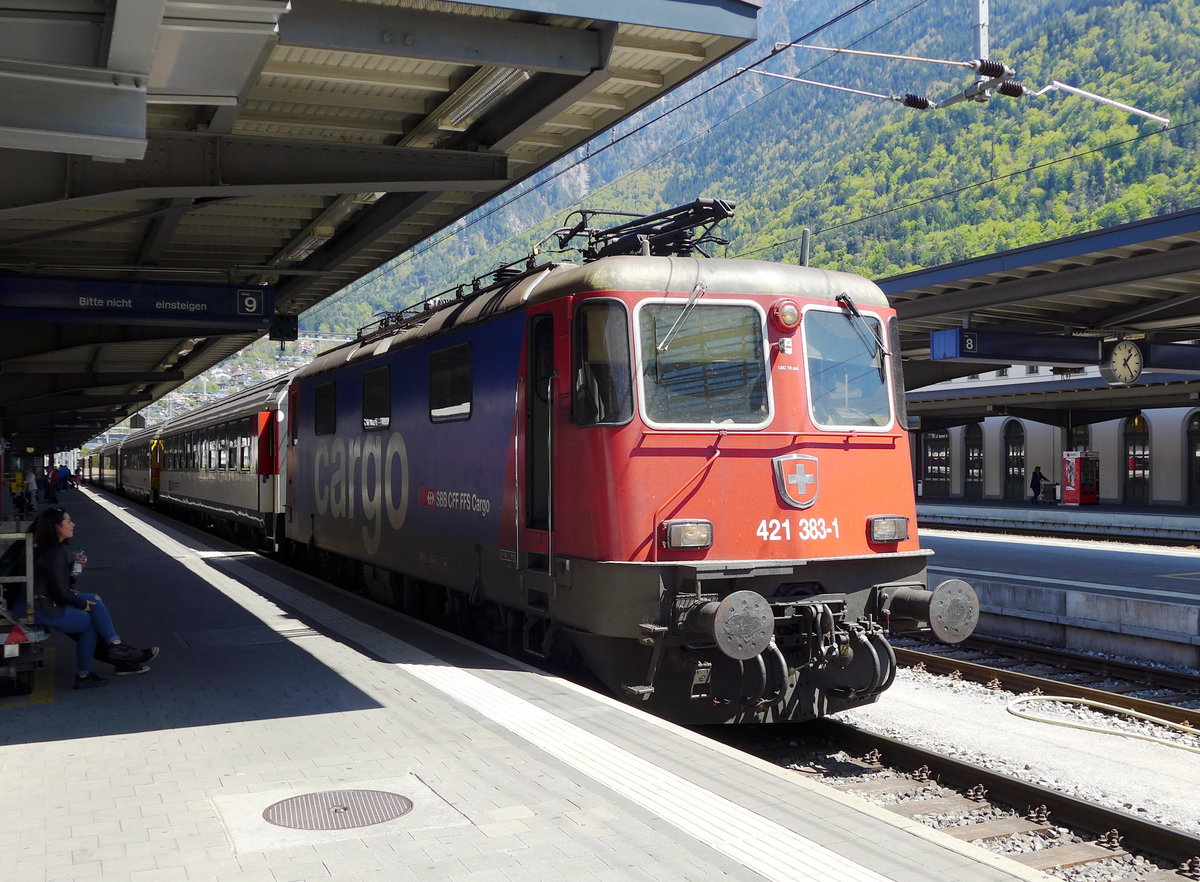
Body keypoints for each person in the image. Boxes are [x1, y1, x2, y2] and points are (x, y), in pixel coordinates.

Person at [27, 507, 158, 688]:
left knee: (95, 600)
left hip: (39, 600)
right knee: (89, 625)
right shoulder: (54, 553)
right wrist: (81, 604)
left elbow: (55, 581)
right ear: (56, 527)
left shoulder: (48, 549)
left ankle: (115, 647)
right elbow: (59, 591)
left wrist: (72, 566)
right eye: (68, 521)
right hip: (40, 606)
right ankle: (99, 663)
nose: (73, 524)